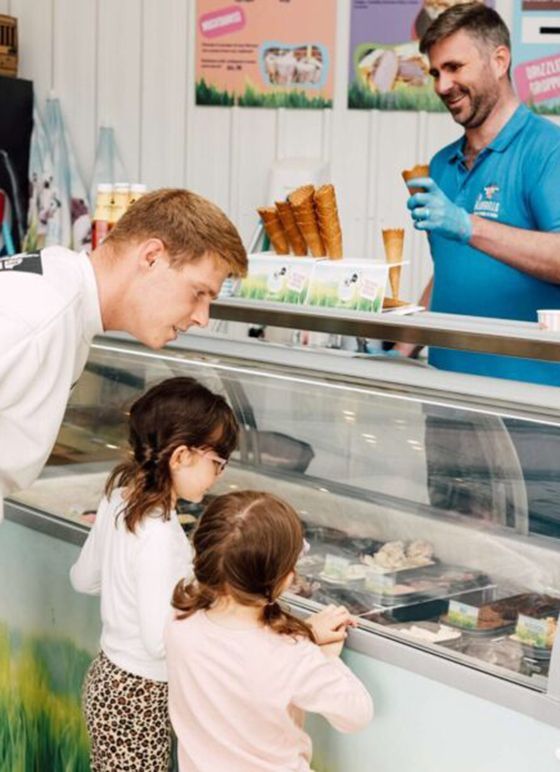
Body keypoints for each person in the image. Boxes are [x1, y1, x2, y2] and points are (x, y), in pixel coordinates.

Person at [0, 187, 248, 521]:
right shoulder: (37, 316)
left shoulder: (62, 289)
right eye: (199, 292)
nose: (203, 318)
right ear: (151, 257)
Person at [70, 376, 239, 771]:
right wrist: (212, 603)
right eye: (218, 462)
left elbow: (83, 579)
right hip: (140, 699)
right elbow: (158, 642)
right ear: (180, 456)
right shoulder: (160, 536)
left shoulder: (118, 498)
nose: (220, 474)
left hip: (108, 679)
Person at [403, 2, 560, 384]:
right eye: (436, 72)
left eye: (455, 68)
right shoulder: (440, 165)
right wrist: (405, 340)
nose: (442, 86)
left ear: (500, 60)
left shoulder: (547, 150)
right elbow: (453, 272)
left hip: (527, 409)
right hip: (446, 398)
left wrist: (468, 225)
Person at [166, 489, 374, 772]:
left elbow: (241, 655)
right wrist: (323, 654)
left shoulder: (180, 621)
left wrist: (304, 637)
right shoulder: (292, 653)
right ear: (283, 579)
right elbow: (356, 714)